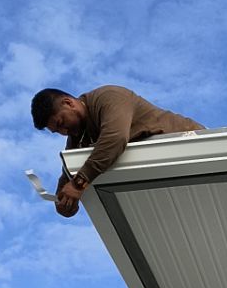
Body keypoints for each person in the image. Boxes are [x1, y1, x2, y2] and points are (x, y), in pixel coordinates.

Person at [31, 84, 204, 217]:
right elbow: (68, 171)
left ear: (69, 103)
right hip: (170, 175)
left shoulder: (109, 97)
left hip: (194, 148)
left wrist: (78, 185)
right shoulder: (78, 135)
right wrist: (63, 200)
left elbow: (115, 138)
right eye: (57, 131)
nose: (64, 132)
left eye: (61, 123)